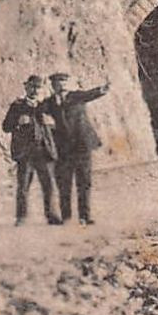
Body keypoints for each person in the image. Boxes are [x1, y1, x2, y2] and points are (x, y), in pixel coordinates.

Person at [45, 71, 111, 225]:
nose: (60, 85)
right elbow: (37, 110)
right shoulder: (49, 103)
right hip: (64, 149)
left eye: (63, 81)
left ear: (67, 83)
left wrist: (102, 89)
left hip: (82, 145)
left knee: (84, 181)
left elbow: (91, 94)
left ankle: (85, 216)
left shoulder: (77, 96)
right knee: (64, 183)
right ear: (52, 85)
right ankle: (66, 217)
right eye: (57, 82)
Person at [2, 74, 62, 226]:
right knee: (23, 186)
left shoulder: (45, 106)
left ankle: (52, 215)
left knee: (48, 184)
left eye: (38, 87)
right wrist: (17, 122)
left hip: (43, 151)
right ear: (26, 87)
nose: (35, 90)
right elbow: (6, 127)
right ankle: (21, 217)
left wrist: (51, 125)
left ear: (42, 90)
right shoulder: (17, 106)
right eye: (32, 87)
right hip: (26, 153)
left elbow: (58, 124)